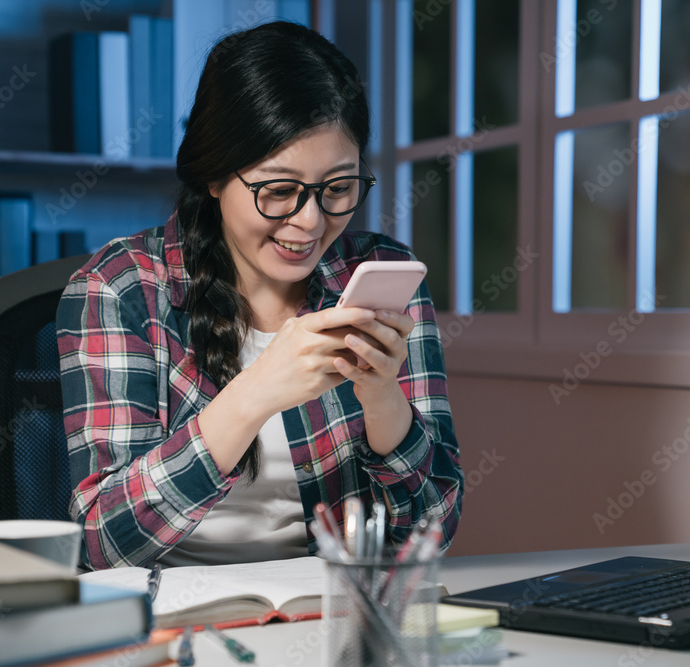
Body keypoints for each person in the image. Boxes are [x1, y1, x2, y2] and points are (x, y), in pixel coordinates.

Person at [57, 21, 463, 570]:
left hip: (327, 606)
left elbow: (431, 533)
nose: (310, 221)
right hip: (169, 616)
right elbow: (104, 542)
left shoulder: (377, 274)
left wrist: (384, 400)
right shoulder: (121, 288)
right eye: (278, 191)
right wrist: (257, 392)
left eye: (338, 189)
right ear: (214, 175)